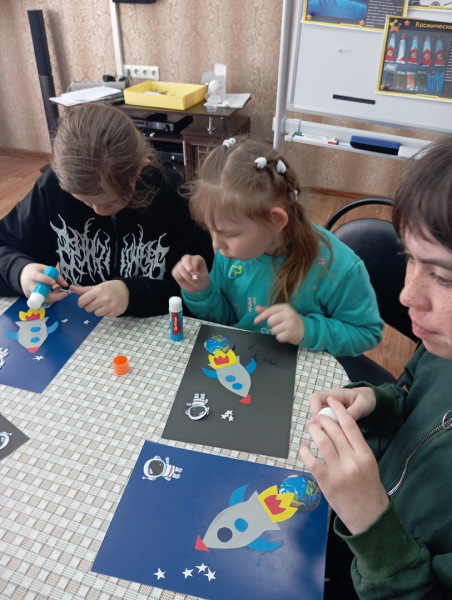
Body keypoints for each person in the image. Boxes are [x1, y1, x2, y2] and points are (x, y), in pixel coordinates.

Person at [299, 137, 452, 599]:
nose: (407, 296)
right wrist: (376, 402)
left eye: (444, 277)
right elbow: (410, 397)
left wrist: (370, 522)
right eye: (409, 259)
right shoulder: (444, 348)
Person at [171, 137, 383, 356]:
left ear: (276, 220)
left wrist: (307, 330)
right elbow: (227, 319)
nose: (216, 244)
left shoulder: (338, 267)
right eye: (211, 230)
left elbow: (367, 333)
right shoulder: (230, 254)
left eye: (229, 234)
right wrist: (202, 291)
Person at [0, 103, 213, 317]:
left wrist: (132, 294)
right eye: (84, 202)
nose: (99, 212)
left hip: (154, 327)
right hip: (80, 325)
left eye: (110, 201)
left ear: (138, 170)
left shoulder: (173, 195)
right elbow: (5, 246)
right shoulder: (52, 187)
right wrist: (19, 271)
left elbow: (206, 292)